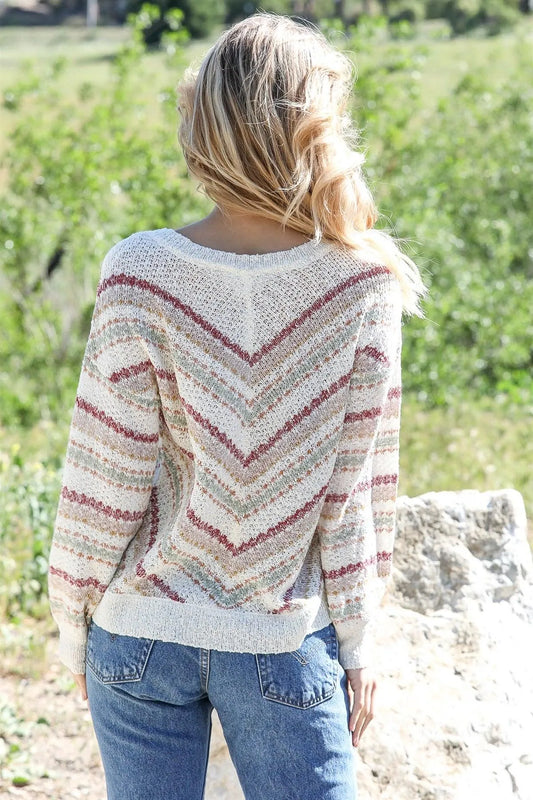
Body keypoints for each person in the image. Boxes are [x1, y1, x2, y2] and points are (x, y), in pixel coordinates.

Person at [47, 11, 428, 800]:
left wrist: (71, 624)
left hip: (139, 635)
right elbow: (355, 493)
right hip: (282, 639)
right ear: (316, 131)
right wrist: (359, 642)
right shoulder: (361, 285)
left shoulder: (139, 271)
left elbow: (104, 476)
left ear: (203, 130)